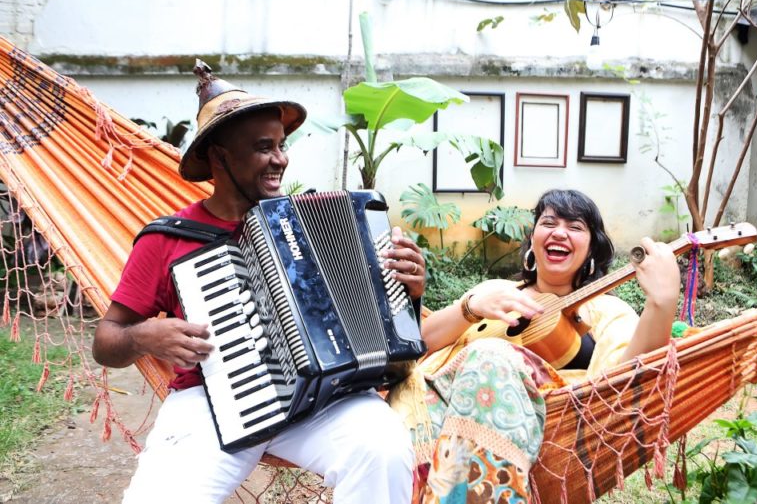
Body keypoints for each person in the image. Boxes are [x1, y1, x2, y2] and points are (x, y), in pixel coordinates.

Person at [92, 61, 426, 504]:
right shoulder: (167, 239)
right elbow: (106, 340)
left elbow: (385, 325)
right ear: (219, 157)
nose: (281, 159)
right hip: (209, 401)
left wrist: (408, 289)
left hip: (323, 399)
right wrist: (145, 336)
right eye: (263, 147)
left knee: (382, 451)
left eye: (282, 145)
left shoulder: (314, 223)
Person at [388, 188, 680, 504]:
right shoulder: (497, 291)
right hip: (432, 407)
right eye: (549, 222)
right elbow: (419, 341)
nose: (559, 232)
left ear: (592, 248)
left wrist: (661, 305)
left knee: (490, 354)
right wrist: (471, 306)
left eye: (575, 227)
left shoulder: (607, 310)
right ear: (533, 240)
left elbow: (626, 384)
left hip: (540, 426)